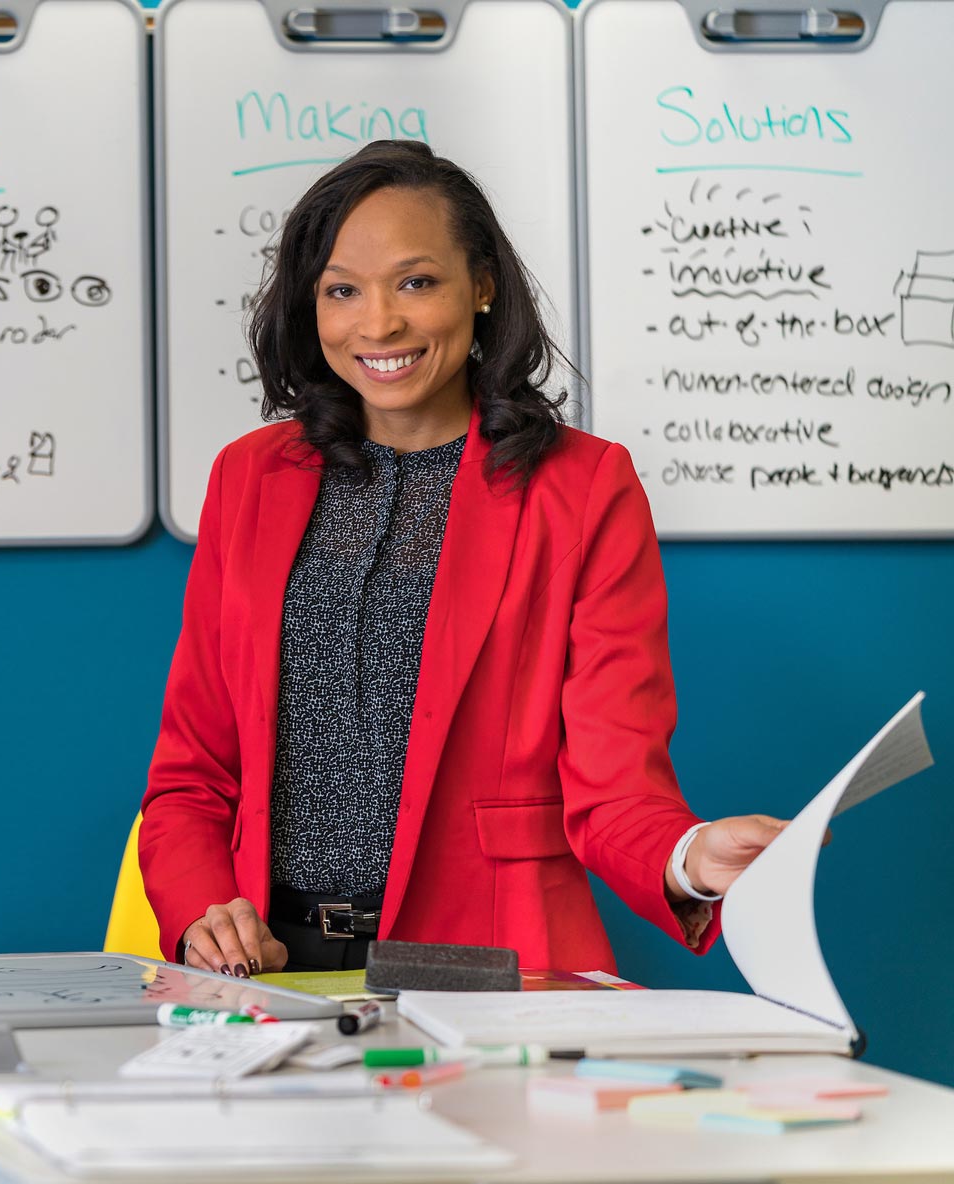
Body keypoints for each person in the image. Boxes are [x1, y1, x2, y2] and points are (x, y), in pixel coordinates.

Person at [139, 140, 791, 977]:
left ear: (481, 285)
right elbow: (192, 775)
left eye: (417, 282)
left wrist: (689, 856)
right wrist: (202, 913)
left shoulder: (583, 487)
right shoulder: (249, 478)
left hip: (490, 961)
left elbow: (617, 779)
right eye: (342, 291)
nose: (378, 324)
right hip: (267, 972)